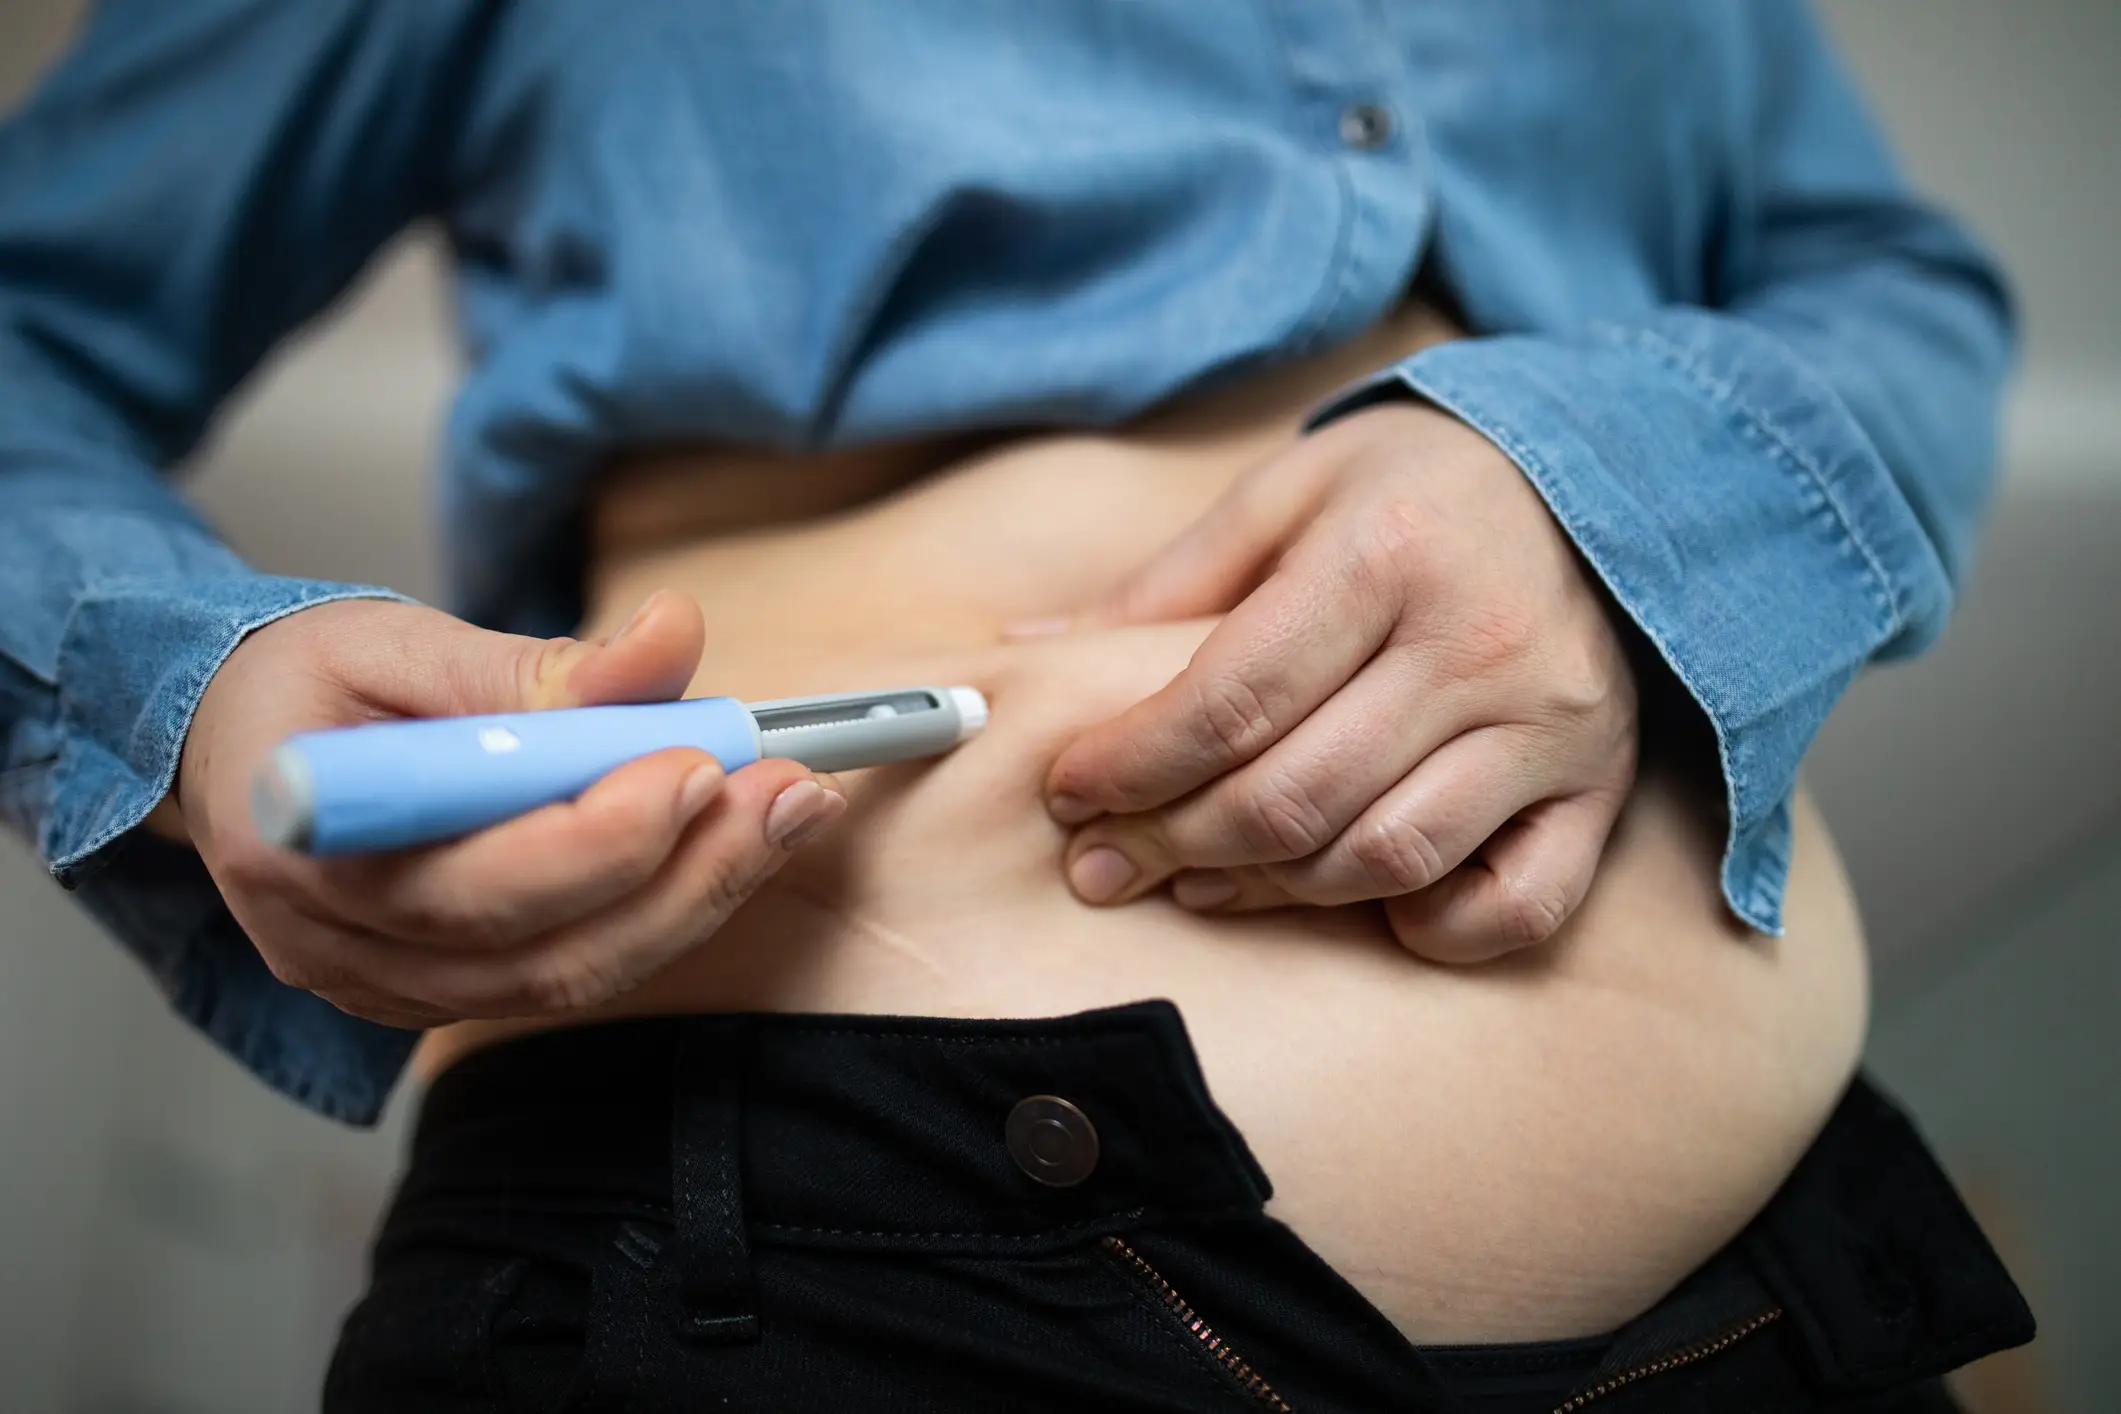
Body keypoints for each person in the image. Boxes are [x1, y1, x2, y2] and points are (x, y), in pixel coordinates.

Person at [0, 3, 2032, 1410]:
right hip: (816, 1264)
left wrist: (1614, 488)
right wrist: (183, 688)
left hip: (1774, 1281)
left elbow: (1896, 286)